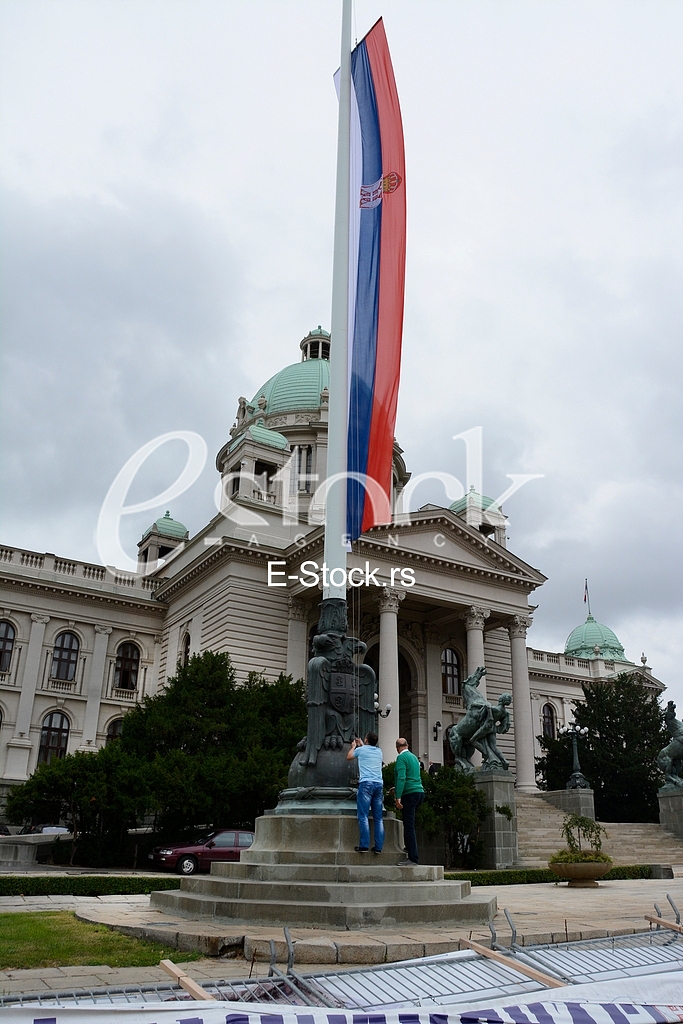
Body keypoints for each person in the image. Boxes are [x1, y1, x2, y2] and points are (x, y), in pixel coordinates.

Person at [346, 732, 384, 854]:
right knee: (378, 818)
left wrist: (353, 746)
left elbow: (349, 756)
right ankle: (378, 847)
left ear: (366, 739)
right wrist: (362, 744)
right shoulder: (379, 752)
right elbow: (368, 750)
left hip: (366, 784)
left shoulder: (360, 750)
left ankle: (364, 845)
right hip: (379, 784)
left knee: (363, 816)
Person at [394, 737, 424, 866]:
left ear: (397, 748)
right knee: (410, 823)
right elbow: (412, 777)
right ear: (407, 745)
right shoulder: (413, 757)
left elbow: (402, 777)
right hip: (419, 792)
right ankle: (409, 846)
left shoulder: (401, 758)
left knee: (409, 825)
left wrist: (398, 796)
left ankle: (413, 858)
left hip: (409, 794)